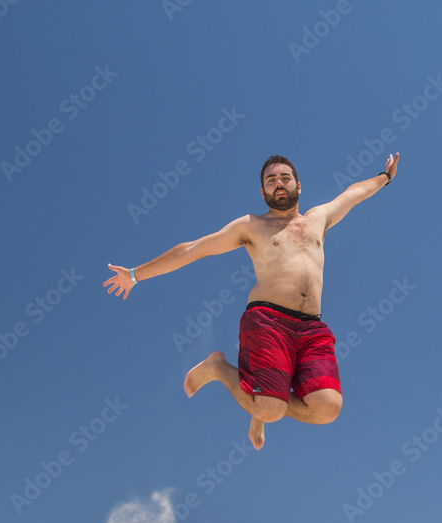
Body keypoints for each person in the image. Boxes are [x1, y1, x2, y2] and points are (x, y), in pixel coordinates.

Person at [105, 152, 400, 449]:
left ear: (299, 185)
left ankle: (266, 393)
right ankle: (220, 368)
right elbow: (193, 249)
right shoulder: (250, 226)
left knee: (327, 409)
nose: (279, 183)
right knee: (270, 410)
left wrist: (384, 177)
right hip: (267, 321)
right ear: (262, 192)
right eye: (271, 180)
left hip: (312, 329)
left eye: (285, 177)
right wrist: (134, 274)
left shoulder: (318, 218)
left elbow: (354, 194)